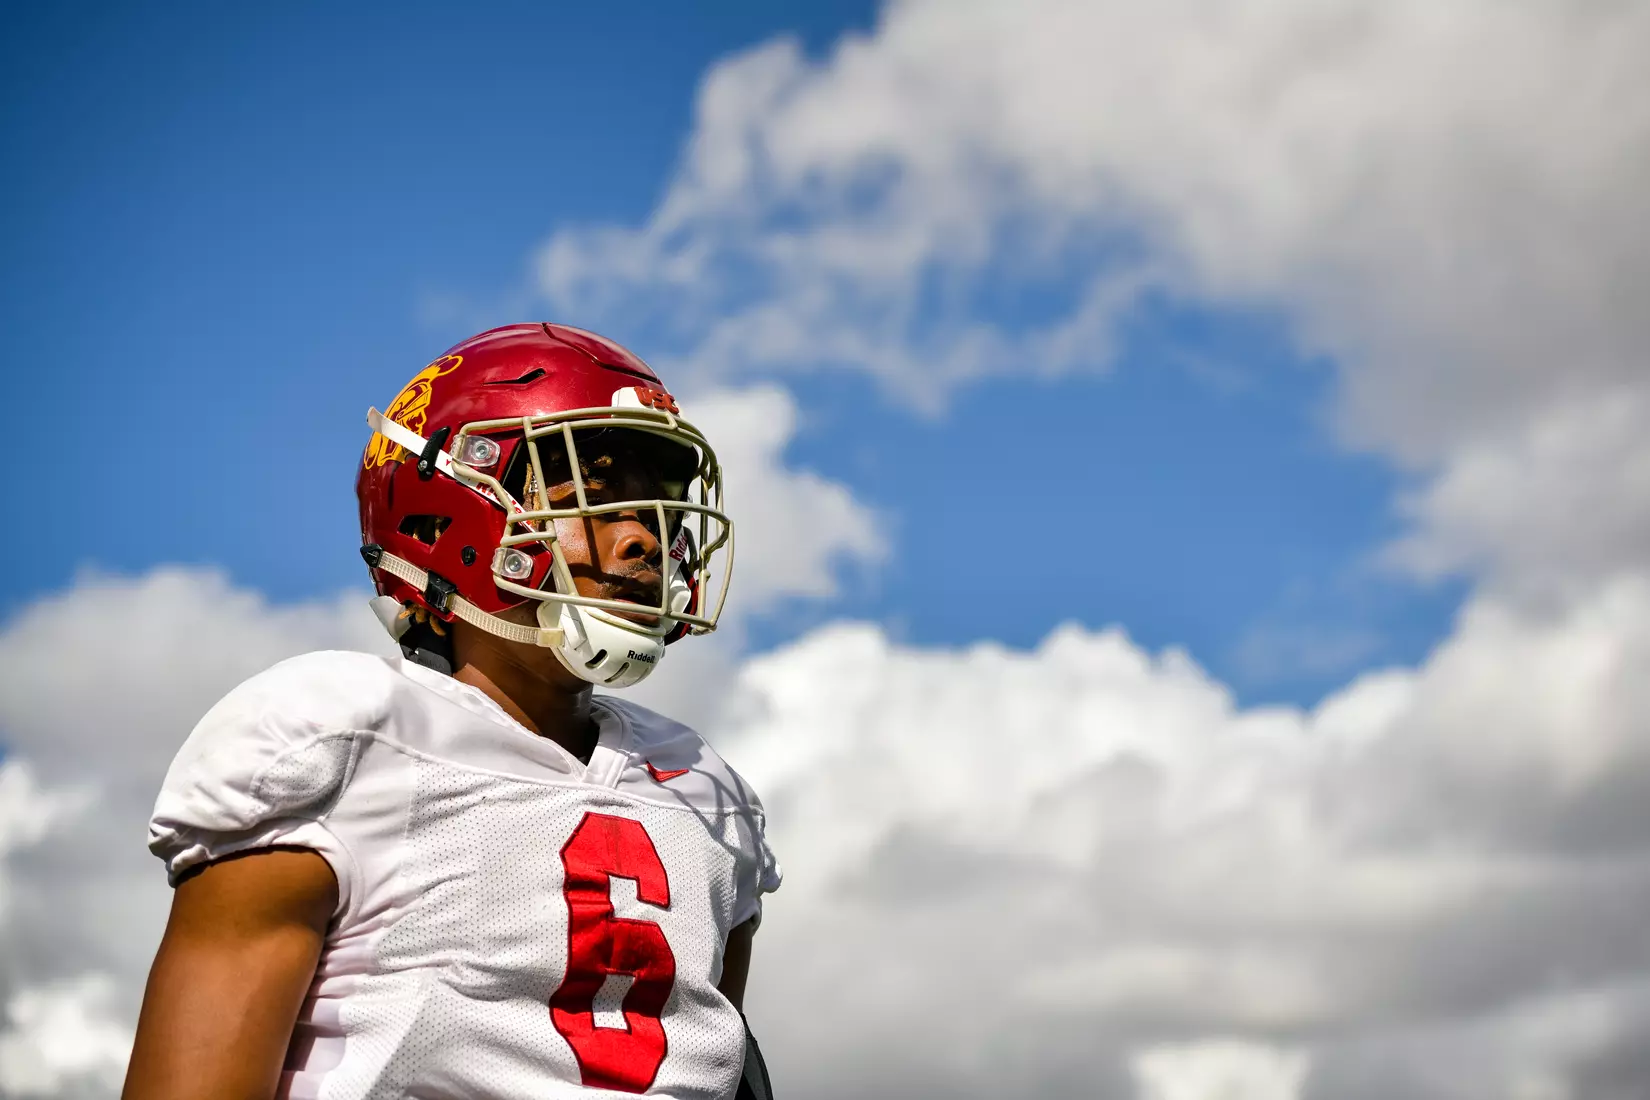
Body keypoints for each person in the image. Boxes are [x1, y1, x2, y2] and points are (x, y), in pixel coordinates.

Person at [123, 324, 780, 1100]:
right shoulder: (344, 733)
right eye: (591, 499)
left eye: (656, 511)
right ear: (448, 515)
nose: (642, 538)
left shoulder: (706, 788)